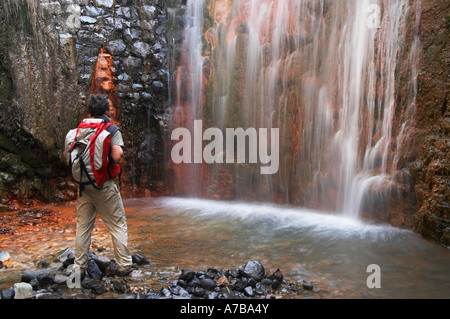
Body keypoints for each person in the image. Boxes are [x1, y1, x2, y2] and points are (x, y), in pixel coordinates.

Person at [65, 94, 136, 277]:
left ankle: (79, 267)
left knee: (83, 227)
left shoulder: (80, 129)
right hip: (103, 184)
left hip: (84, 185)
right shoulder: (111, 130)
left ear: (90, 111)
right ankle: (125, 265)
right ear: (106, 110)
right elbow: (117, 154)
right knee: (118, 224)